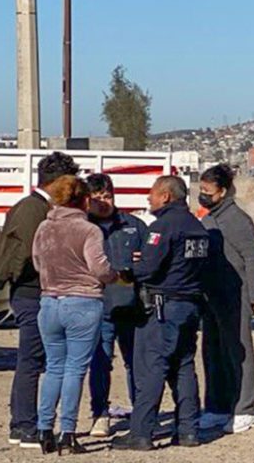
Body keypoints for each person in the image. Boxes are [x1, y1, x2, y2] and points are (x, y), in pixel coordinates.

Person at [0, 152, 79, 449]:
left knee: (34, 359)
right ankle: (24, 425)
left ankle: (23, 423)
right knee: (32, 359)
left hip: (33, 292)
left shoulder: (36, 206)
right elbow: (25, 254)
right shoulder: (33, 209)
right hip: (31, 293)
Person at [111, 176, 209, 451]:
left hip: (164, 306)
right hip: (190, 304)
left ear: (166, 196)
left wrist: (128, 269)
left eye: (152, 193)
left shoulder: (163, 227)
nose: (148, 198)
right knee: (184, 366)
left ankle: (141, 432)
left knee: (153, 367)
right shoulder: (197, 227)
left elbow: (147, 269)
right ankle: (188, 431)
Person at [31, 175, 121, 454]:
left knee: (53, 367)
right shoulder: (88, 230)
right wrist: (115, 275)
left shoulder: (44, 227)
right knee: (75, 369)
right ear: (84, 200)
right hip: (82, 301)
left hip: (49, 301)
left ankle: (44, 428)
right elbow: (99, 267)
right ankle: (67, 432)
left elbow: (37, 262)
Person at [196, 164, 254, 434]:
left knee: (239, 352)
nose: (203, 194)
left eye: (208, 191)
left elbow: (252, 258)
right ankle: (217, 407)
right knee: (213, 352)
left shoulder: (237, 219)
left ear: (222, 191)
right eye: (201, 189)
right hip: (212, 296)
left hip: (236, 296)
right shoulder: (209, 218)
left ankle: (246, 409)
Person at [84, 173, 149, 437]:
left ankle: (141, 414)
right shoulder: (84, 228)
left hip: (131, 306)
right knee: (100, 363)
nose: (103, 202)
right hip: (99, 307)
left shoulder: (134, 225)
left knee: (136, 363)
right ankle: (100, 414)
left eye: (107, 196)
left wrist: (142, 261)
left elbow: (151, 261)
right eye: (97, 198)